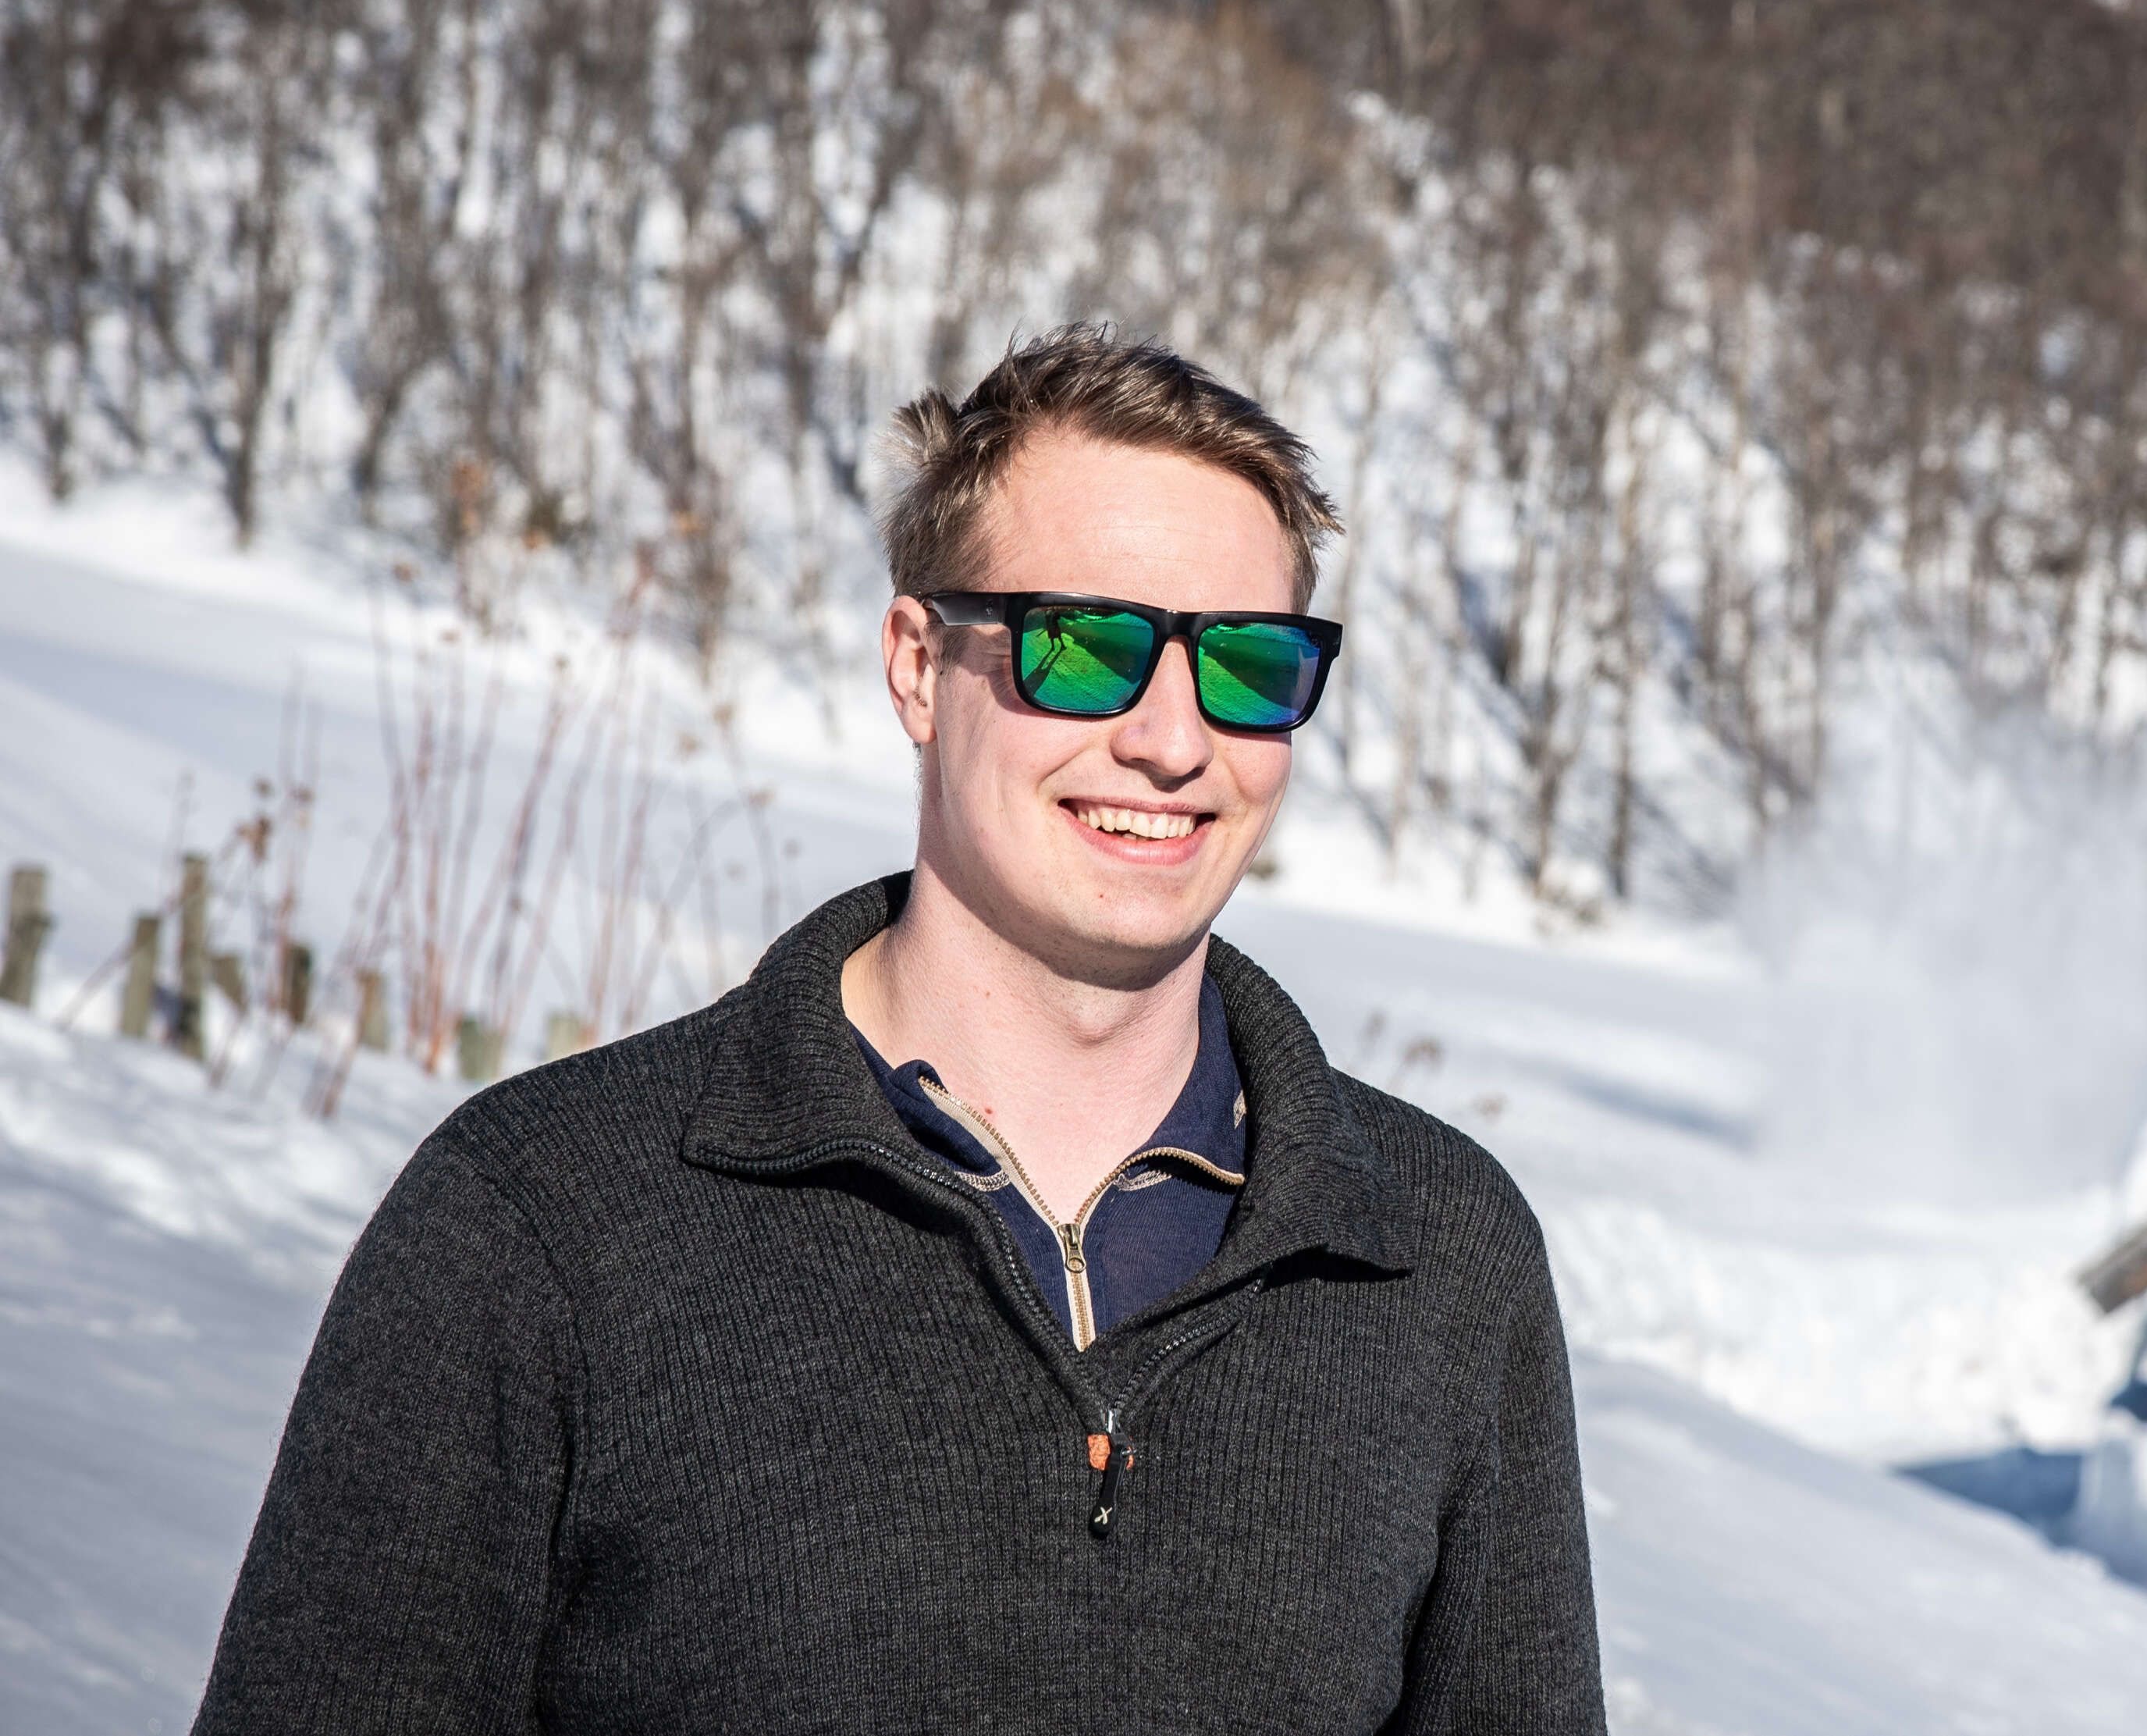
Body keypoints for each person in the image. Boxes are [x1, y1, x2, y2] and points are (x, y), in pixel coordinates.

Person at [195, 325, 1606, 1733]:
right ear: (919, 665)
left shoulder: (1437, 1257)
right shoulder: (545, 1220)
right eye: (1085, 646)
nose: (1173, 740)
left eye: (1247, 664)